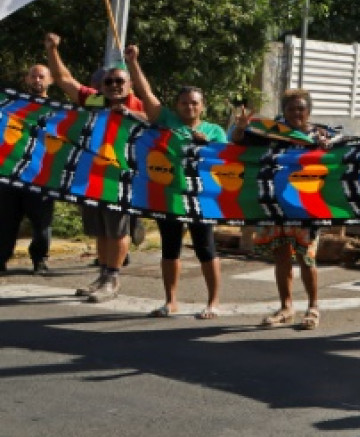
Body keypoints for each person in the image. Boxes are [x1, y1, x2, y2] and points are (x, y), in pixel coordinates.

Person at [125, 44, 229, 320]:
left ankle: (213, 302)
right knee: (170, 248)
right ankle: (171, 301)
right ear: (177, 106)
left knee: (206, 247)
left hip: (201, 199)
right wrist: (133, 62)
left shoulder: (214, 130)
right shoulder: (166, 119)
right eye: (184, 102)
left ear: (202, 106)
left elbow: (226, 163)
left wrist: (207, 147)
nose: (189, 106)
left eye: (194, 102)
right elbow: (145, 94)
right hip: (169, 194)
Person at [45, 33, 146, 303]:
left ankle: (113, 278)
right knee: (100, 230)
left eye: (119, 82)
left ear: (130, 85)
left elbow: (159, 122)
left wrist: (131, 114)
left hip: (122, 178)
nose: (113, 86)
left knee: (118, 230)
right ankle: (102, 275)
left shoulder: (137, 104)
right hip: (91, 177)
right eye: (108, 82)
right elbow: (65, 80)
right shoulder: (93, 101)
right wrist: (52, 50)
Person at [231, 88, 335, 330]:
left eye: (301, 108)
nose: (296, 113)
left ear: (309, 111)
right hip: (275, 204)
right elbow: (237, 142)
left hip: (306, 206)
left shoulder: (321, 134)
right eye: (291, 108)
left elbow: (340, 148)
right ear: (283, 111)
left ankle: (313, 307)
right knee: (281, 255)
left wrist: (326, 145)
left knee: (306, 257)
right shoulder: (271, 133)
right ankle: (286, 307)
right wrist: (241, 127)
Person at [0, 63, 55, 276]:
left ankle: (39, 259)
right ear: (26, 79)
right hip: (10, 174)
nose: (37, 80)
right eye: (33, 76)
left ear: (50, 81)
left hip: (41, 176)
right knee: (5, 220)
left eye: (41, 77)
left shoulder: (59, 111)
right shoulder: (13, 107)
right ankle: (2, 258)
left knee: (41, 223)